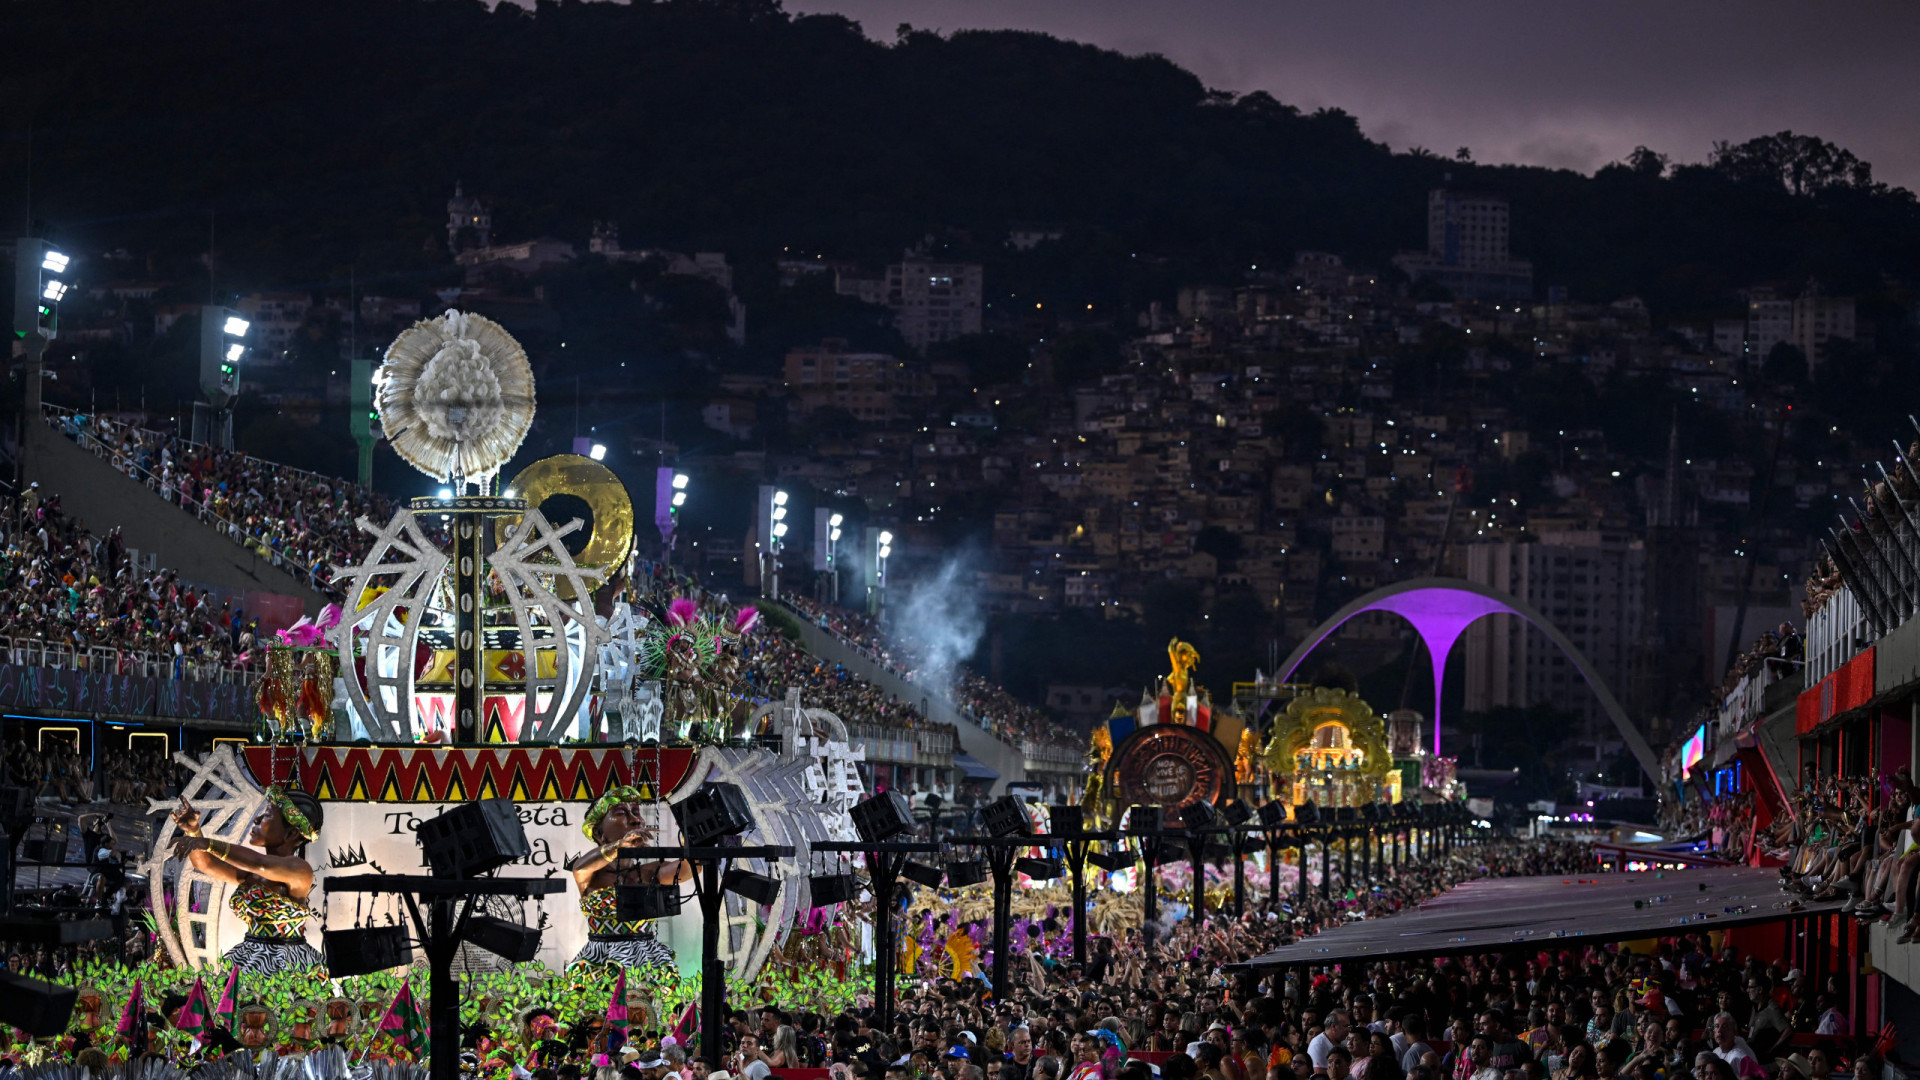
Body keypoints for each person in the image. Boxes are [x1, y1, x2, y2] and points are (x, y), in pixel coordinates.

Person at [169, 786, 324, 973]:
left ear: (290, 834)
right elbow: (207, 865)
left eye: (266, 815)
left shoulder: (300, 870)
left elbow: (259, 863)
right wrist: (193, 831)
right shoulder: (251, 875)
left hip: (288, 962)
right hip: (249, 956)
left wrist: (208, 843)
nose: (257, 820)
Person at [567, 786, 692, 972]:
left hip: (647, 959)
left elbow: (689, 868)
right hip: (601, 961)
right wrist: (620, 845)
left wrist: (692, 839)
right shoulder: (590, 875)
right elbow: (579, 867)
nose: (636, 820)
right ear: (598, 834)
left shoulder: (650, 871)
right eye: (621, 813)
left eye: (636, 812)